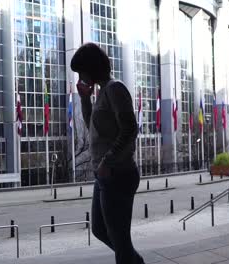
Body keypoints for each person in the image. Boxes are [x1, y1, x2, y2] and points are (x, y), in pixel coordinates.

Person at [71, 43, 144, 264]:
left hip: (118, 174)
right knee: (100, 230)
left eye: (82, 71)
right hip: (105, 175)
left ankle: (131, 260)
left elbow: (130, 128)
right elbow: (92, 126)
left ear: (91, 68)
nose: (81, 76)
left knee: (120, 240)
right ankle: (134, 261)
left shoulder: (115, 88)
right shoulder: (103, 93)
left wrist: (108, 161)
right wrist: (84, 98)